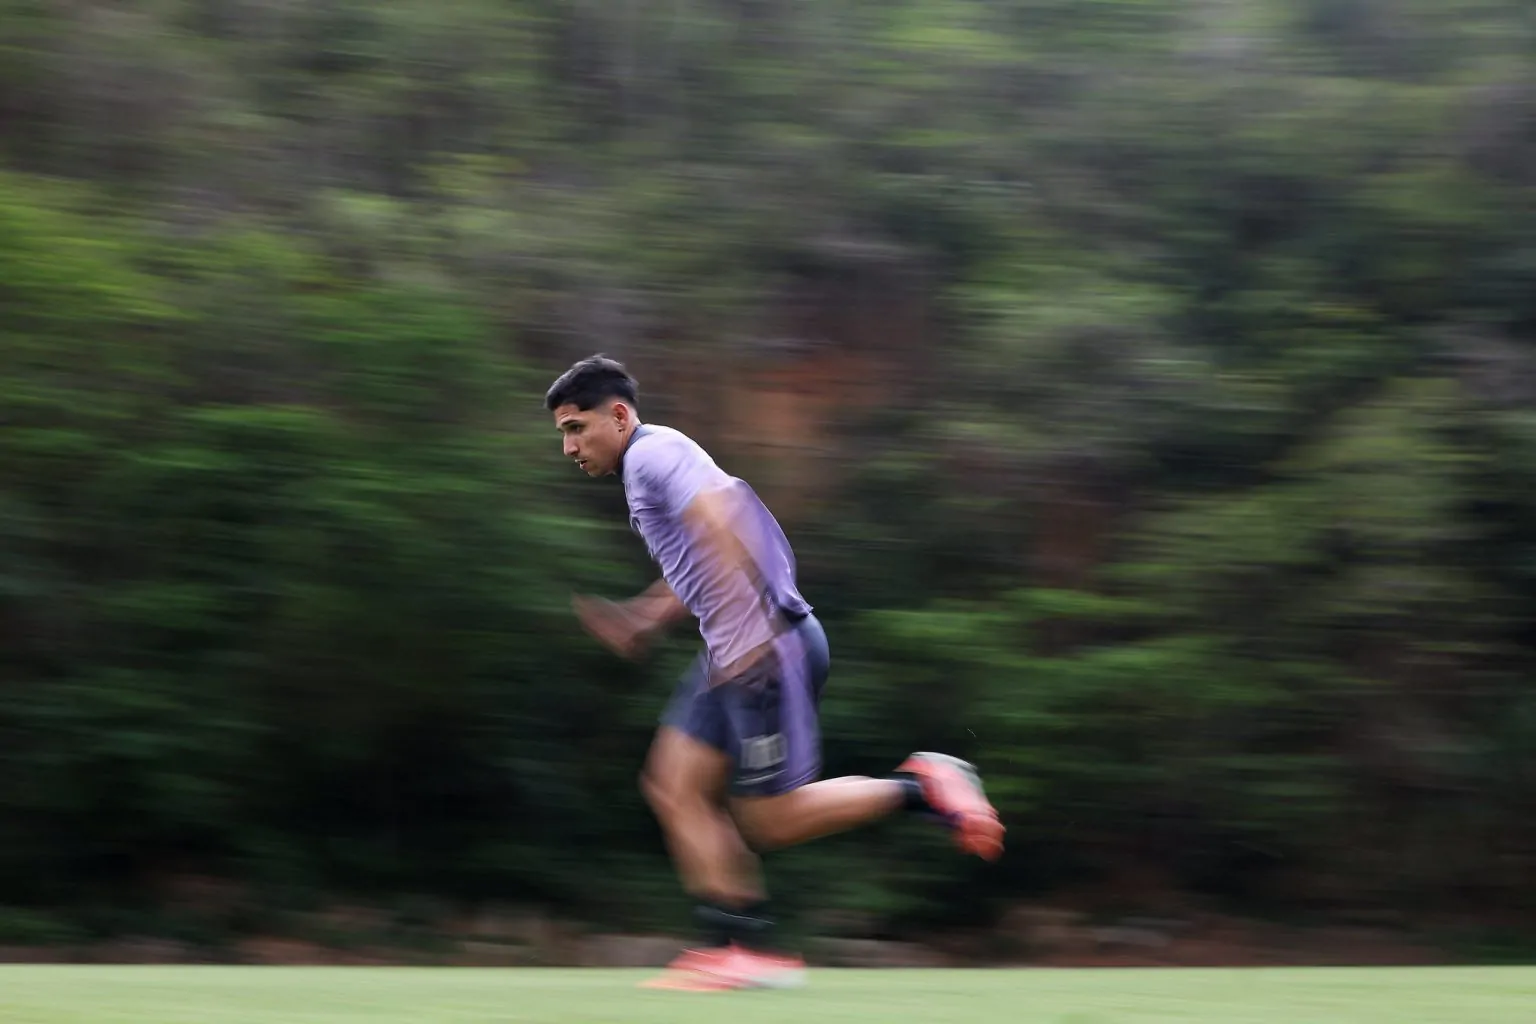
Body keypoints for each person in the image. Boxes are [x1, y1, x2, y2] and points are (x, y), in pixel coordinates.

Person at [546, 354, 1004, 990]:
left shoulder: (651, 455)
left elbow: (723, 519)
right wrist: (646, 616)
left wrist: (750, 631)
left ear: (618, 416)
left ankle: (922, 787)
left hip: (763, 647)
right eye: (563, 433)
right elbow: (699, 554)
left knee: (769, 820)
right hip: (734, 648)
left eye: (576, 428)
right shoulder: (651, 463)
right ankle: (734, 946)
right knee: (673, 785)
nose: (569, 447)